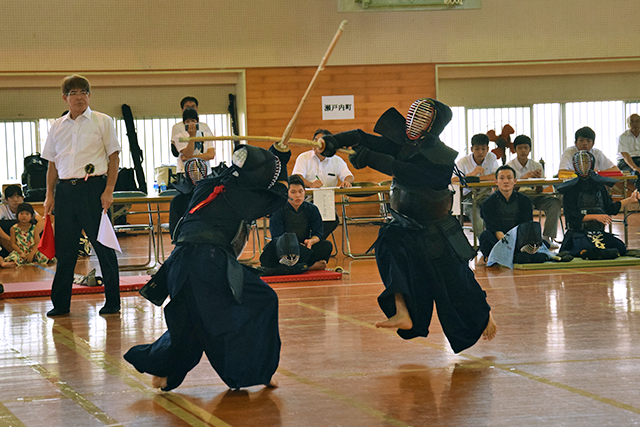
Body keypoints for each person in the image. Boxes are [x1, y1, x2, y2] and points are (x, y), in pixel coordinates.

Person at [322, 98, 496, 354]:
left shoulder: (441, 159)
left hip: (437, 229)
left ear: (433, 125)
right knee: (388, 245)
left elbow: (402, 170)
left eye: (423, 118)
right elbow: (364, 138)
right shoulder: (405, 143)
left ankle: (484, 316)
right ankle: (402, 311)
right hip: (405, 225)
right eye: (414, 115)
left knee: (458, 281)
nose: (414, 122)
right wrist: (333, 141)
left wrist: (369, 158)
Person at [124, 142, 291, 392]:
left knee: (191, 320)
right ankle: (256, 370)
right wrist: (282, 161)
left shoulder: (210, 183)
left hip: (180, 262)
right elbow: (278, 194)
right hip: (208, 262)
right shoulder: (242, 196)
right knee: (261, 301)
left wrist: (275, 155)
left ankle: (163, 370)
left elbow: (260, 178)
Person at [41, 74, 121, 317]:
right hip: (65, 191)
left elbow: (114, 157)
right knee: (65, 250)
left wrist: (108, 190)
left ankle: (113, 301)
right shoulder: (57, 126)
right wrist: (49, 195)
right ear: (65, 98)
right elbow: (52, 165)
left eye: (83, 92)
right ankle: (61, 304)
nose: (79, 97)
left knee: (102, 247)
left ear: (89, 96)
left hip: (93, 190)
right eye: (73, 93)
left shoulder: (102, 121)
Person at [557, 151, 639, 259]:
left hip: (598, 232)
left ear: (591, 164)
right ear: (575, 165)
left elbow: (610, 208)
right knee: (586, 247)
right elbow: (572, 217)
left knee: (620, 247)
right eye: (580, 163)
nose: (583, 166)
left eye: (586, 163)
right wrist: (596, 216)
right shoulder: (571, 189)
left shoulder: (599, 186)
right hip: (578, 233)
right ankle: (594, 253)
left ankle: (598, 253)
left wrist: (631, 199)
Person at [260, 175, 333, 273]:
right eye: (293, 192)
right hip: (284, 249)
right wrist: (291, 245)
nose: (298, 195)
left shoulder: (312, 209)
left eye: (300, 191)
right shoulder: (278, 209)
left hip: (304, 248)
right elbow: (276, 237)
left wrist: (311, 241)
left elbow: (318, 233)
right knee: (269, 254)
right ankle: (307, 267)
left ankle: (292, 268)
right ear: (287, 193)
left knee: (326, 245)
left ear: (305, 192)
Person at [292, 129, 354, 238]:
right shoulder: (304, 157)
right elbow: (297, 177)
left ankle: (314, 242)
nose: (316, 144)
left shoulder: (337, 160)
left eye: (321, 142)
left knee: (332, 221)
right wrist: (311, 184)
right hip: (306, 201)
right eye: (315, 140)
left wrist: (347, 182)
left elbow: (348, 176)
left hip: (326, 202)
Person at [506, 135, 562, 247]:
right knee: (527, 205)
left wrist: (538, 181)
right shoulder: (509, 166)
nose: (523, 151)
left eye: (525, 148)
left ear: (530, 149)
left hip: (536, 196)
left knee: (554, 202)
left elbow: (540, 190)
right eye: (520, 148)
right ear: (515, 149)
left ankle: (546, 238)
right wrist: (523, 179)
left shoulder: (536, 165)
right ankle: (528, 239)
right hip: (519, 196)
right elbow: (509, 189)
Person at [479, 165, 535, 259]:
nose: (506, 181)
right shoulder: (488, 203)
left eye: (509, 178)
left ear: (515, 181)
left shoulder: (525, 201)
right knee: (485, 237)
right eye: (502, 178)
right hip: (498, 240)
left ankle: (509, 255)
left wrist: (516, 243)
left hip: (519, 239)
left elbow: (526, 226)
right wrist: (508, 245)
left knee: (536, 239)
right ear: (496, 181)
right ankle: (509, 255)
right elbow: (494, 228)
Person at [452, 133, 500, 236]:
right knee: (478, 221)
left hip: (486, 196)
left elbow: (497, 175)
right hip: (468, 198)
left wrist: (476, 179)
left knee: (495, 218)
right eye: (477, 149)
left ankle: (495, 243)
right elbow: (454, 180)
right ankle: (483, 244)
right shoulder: (463, 162)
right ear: (471, 149)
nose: (480, 152)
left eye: (483, 149)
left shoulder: (491, 157)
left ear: (487, 149)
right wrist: (472, 174)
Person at [171, 107, 215, 179]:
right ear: (184, 123)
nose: (191, 124)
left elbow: (211, 155)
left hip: (205, 173)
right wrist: (192, 136)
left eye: (193, 121)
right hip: (186, 174)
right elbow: (188, 153)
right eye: (187, 121)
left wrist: (190, 158)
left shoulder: (206, 135)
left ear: (197, 121)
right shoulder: (179, 137)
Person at [616, 114, 640, 181]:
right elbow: (625, 155)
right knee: (636, 173)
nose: (635, 124)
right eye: (632, 122)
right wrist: (635, 168)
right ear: (628, 124)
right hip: (625, 162)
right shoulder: (623, 137)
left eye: (637, 121)